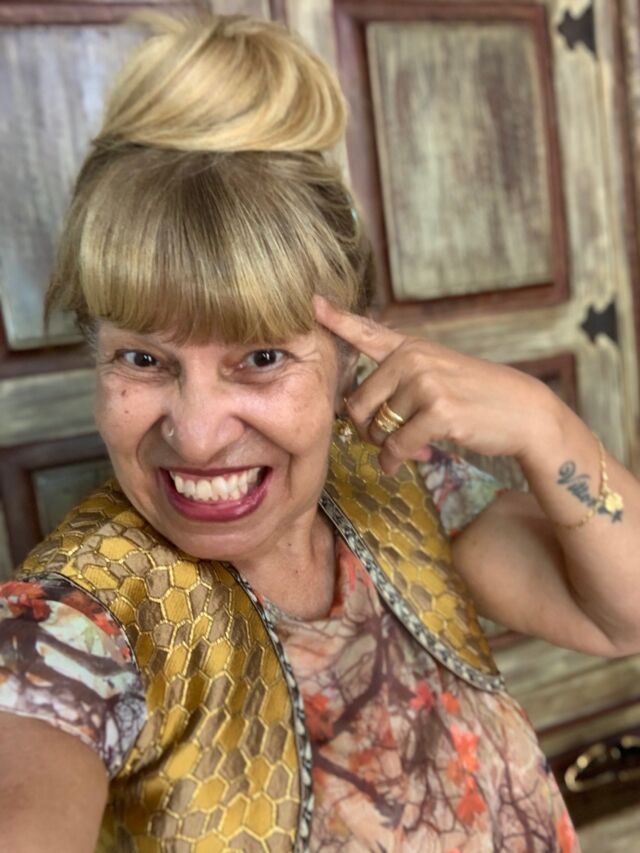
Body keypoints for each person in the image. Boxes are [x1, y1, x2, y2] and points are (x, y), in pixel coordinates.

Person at [1, 11, 639, 853]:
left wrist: (543, 423)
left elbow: (623, 614)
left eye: (261, 357)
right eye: (143, 359)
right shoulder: (76, 624)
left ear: (346, 355)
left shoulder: (395, 476)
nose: (196, 436)